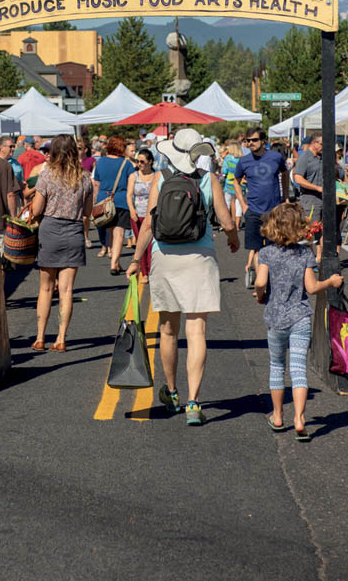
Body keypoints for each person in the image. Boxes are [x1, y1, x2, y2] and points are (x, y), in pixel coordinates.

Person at [127, 129, 240, 426]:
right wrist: (233, 239)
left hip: (165, 257)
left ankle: (173, 393)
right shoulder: (208, 179)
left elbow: (149, 225)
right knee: (197, 332)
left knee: (167, 330)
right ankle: (193, 401)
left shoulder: (162, 178)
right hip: (199, 258)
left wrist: (137, 259)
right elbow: (226, 221)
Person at [255, 203, 344, 441]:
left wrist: (260, 294)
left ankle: (277, 415)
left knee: (277, 366)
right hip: (300, 316)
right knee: (298, 368)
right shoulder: (304, 254)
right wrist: (331, 282)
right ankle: (300, 418)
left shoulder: (266, 253)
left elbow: (261, 283)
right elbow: (312, 288)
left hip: (275, 318)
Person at [30, 136, 95, 352]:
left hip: (49, 230)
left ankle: (40, 337)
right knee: (66, 290)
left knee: (45, 288)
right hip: (74, 231)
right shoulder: (84, 178)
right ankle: (61, 338)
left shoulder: (47, 174)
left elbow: (37, 209)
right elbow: (87, 212)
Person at [235, 126, 291, 291]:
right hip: (253, 211)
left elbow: (285, 174)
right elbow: (235, 181)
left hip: (274, 211)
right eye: (248, 140)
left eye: (254, 140)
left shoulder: (275, 157)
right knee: (257, 249)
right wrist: (243, 204)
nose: (250, 143)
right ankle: (263, 285)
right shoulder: (244, 161)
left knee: (277, 247)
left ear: (263, 141)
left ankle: (274, 280)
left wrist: (285, 197)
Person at [91, 136, 135, 273]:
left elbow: (96, 184)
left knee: (110, 231)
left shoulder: (101, 162)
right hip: (120, 200)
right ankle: (114, 263)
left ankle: (115, 259)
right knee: (119, 233)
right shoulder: (126, 164)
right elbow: (131, 184)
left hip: (104, 200)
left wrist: (95, 202)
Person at [126, 148, 159, 284]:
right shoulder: (134, 176)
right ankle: (144, 272)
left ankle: (153, 271)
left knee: (152, 245)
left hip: (152, 215)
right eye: (137, 161)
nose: (139, 164)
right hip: (137, 214)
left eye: (142, 161)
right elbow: (129, 194)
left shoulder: (156, 176)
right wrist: (131, 209)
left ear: (150, 162)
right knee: (141, 244)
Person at [293, 133, 325, 260]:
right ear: (314, 143)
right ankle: (310, 260)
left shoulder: (322, 157)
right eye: (322, 144)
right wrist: (317, 188)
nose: (324, 146)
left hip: (323, 199)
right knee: (311, 231)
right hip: (309, 199)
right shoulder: (304, 157)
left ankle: (321, 258)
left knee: (323, 230)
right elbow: (298, 178)